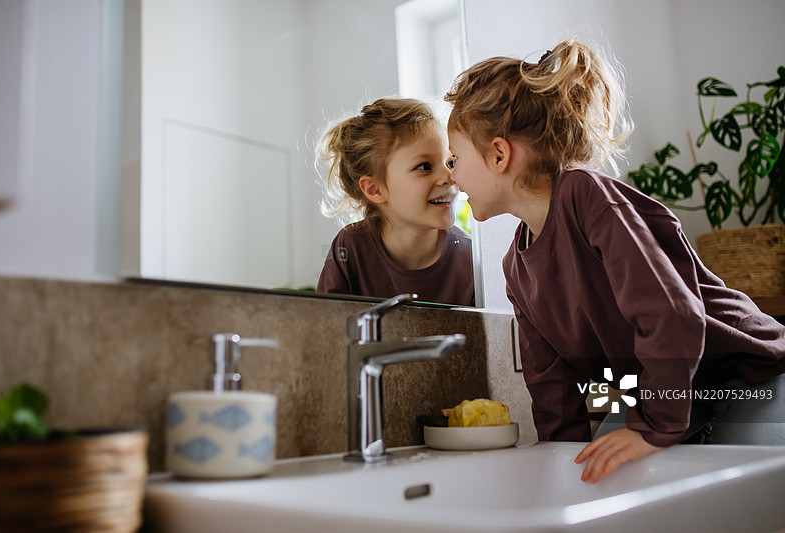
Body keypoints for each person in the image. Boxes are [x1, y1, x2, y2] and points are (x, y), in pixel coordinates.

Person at [444, 37, 785, 483]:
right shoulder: (516, 269)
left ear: (499, 153)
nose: (451, 175)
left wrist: (656, 427)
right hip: (663, 390)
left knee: (753, 499)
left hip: (744, 374)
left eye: (455, 159)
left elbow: (675, 316)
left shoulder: (587, 197)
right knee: (598, 477)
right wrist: (558, 463)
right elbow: (554, 388)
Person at [315, 97, 474, 306]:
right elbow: (326, 328)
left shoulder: (469, 256)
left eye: (451, 162)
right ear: (375, 189)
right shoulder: (351, 247)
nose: (451, 176)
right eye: (425, 166)